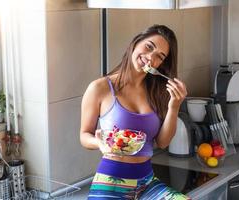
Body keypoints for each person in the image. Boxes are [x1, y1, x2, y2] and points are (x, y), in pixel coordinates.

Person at [80, 24, 189, 200]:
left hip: (146, 182)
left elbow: (162, 142)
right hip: (111, 183)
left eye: (159, 57)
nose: (150, 58)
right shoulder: (100, 88)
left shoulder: (157, 92)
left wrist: (174, 106)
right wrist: (100, 143)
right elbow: (84, 135)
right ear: (136, 42)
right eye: (149, 47)